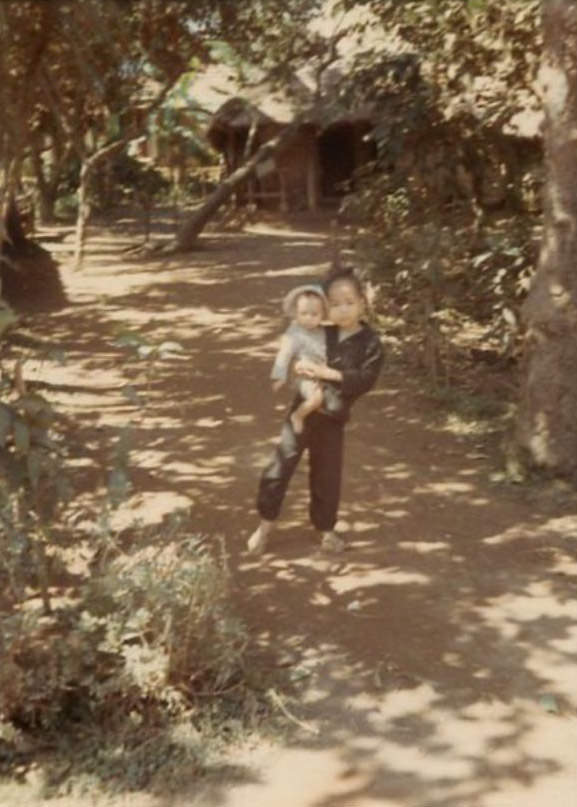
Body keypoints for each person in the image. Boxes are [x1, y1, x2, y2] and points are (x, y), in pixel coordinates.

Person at [247, 264, 384, 555]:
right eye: (334, 304)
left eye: (350, 303)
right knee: (280, 466)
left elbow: (365, 380)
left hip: (333, 418)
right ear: (325, 307)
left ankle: (326, 530)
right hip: (303, 412)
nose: (343, 310)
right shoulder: (323, 331)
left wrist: (327, 372)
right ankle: (265, 524)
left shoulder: (371, 343)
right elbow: (295, 341)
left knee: (327, 476)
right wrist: (293, 365)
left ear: (363, 302)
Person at [270, 284, 328, 435]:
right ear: (296, 313)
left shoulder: (322, 331)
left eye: (314, 314)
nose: (309, 318)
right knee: (317, 398)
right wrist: (279, 376)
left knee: (331, 398)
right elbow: (284, 353)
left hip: (323, 372)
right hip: (305, 375)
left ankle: (317, 420)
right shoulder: (295, 333)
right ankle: (298, 416)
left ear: (322, 314)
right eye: (304, 313)